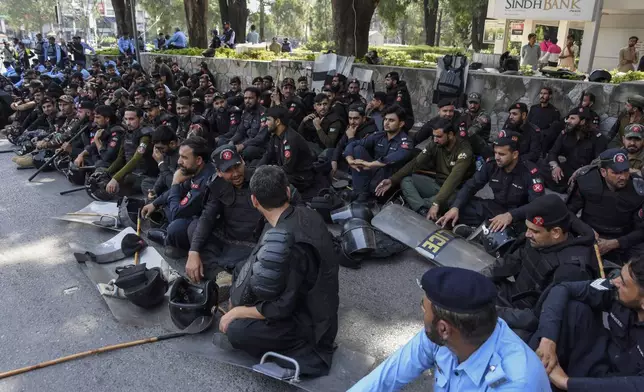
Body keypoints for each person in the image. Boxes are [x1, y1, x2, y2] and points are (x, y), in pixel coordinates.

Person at [219, 165, 339, 378]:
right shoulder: (302, 213)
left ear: (254, 200)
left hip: (310, 322)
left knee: (237, 331)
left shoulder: (289, 244)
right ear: (286, 192)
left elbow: (282, 308)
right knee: (240, 268)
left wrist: (238, 311)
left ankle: (297, 348)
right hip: (312, 295)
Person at [349, 267, 550, 391]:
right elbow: (387, 377)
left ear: (444, 328)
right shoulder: (445, 337)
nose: (421, 310)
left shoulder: (515, 384)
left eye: (423, 306)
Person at [529, 255, 644, 391]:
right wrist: (548, 340)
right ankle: (530, 368)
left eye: (624, 283)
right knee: (574, 309)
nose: (615, 281)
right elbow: (563, 288)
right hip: (594, 359)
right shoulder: (615, 289)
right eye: (620, 274)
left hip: (615, 385)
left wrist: (566, 382)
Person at [482, 194, 596, 311]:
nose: (527, 234)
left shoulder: (570, 270)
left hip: (532, 318)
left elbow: (546, 317)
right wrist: (477, 278)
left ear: (556, 232)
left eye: (535, 231)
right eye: (528, 228)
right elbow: (511, 262)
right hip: (515, 299)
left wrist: (498, 313)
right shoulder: (537, 240)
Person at [437, 130, 544, 234]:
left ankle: (482, 231)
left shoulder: (530, 172)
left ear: (515, 154)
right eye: (495, 152)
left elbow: (537, 205)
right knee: (455, 201)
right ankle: (484, 230)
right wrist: (456, 207)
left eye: (502, 154)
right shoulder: (491, 165)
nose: (497, 157)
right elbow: (471, 186)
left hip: (517, 216)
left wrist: (510, 215)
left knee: (532, 227)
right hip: (495, 208)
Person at [186, 145, 263, 278]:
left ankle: (226, 275)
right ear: (219, 172)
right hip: (228, 238)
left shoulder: (261, 179)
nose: (235, 173)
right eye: (228, 170)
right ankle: (221, 276)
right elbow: (207, 217)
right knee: (194, 228)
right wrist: (193, 252)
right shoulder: (217, 185)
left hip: (255, 244)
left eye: (237, 166)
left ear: (243, 161)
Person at [376, 119, 473, 220]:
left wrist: (436, 203)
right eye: (434, 136)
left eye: (439, 136)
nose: (435, 140)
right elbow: (415, 163)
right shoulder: (435, 144)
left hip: (454, 191)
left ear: (451, 135)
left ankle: (418, 206)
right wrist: (392, 180)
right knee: (406, 180)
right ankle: (422, 210)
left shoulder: (464, 151)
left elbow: (453, 180)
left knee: (437, 202)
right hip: (436, 184)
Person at [568, 148, 644, 264]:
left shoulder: (638, 189)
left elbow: (641, 230)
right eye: (616, 172)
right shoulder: (587, 182)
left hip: (623, 238)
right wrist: (585, 230)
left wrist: (615, 243)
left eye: (625, 171)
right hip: (590, 233)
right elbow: (568, 212)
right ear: (603, 172)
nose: (623, 177)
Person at [142, 136, 214, 253]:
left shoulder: (205, 181)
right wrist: (155, 204)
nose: (179, 161)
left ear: (199, 160)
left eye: (184, 157)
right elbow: (181, 188)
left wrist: (175, 182)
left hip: (204, 222)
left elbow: (176, 212)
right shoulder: (198, 169)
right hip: (193, 211)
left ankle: (171, 241)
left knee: (175, 227)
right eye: (180, 156)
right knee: (157, 211)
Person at [344, 105, 414, 202]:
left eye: (391, 120)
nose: (386, 123)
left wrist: (370, 164)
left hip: (389, 179)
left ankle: (363, 194)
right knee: (357, 149)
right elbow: (353, 144)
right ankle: (360, 193)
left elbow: (393, 158)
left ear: (401, 123)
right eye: (385, 119)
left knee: (382, 170)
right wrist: (349, 159)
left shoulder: (406, 142)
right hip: (374, 172)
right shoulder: (379, 135)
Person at [543, 107, 608, 193]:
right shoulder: (565, 133)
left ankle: (570, 189)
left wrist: (580, 172)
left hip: (586, 172)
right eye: (568, 118)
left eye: (572, 118)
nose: (568, 121)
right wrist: (555, 167)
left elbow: (599, 162)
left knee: (586, 183)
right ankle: (568, 188)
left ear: (582, 121)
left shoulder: (598, 138)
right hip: (569, 169)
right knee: (543, 166)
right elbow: (553, 152)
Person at [257, 107, 318, 198]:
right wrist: (257, 170)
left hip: (301, 178)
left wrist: (266, 171)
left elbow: (287, 168)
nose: (266, 123)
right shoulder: (276, 135)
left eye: (268, 120)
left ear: (277, 122)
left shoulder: (291, 139)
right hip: (287, 171)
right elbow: (268, 155)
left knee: (270, 180)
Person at [104, 106, 159, 196]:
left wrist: (115, 178)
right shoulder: (127, 133)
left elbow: (136, 158)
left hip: (145, 174)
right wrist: (107, 173)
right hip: (133, 171)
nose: (128, 122)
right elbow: (120, 158)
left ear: (140, 119)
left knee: (124, 181)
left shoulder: (145, 136)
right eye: (126, 119)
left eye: (131, 119)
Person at [331, 104, 377, 176]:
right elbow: (340, 144)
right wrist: (334, 160)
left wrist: (351, 138)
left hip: (362, 164)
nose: (352, 122)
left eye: (356, 118)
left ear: (364, 118)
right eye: (350, 118)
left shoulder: (371, 131)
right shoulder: (352, 127)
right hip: (347, 158)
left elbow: (358, 152)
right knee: (329, 153)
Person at [74, 105, 124, 169]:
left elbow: (106, 157)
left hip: (114, 165)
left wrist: (96, 139)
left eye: (98, 117)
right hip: (106, 162)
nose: (95, 121)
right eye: (94, 117)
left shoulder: (117, 132)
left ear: (107, 119)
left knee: (99, 164)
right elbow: (92, 146)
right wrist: (81, 155)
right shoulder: (106, 129)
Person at [228, 87, 266, 162]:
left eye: (250, 98)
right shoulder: (246, 112)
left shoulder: (264, 114)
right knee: (226, 145)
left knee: (247, 151)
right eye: (245, 98)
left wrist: (243, 145)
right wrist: (231, 141)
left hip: (259, 146)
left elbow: (260, 138)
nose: (247, 101)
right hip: (247, 142)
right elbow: (240, 131)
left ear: (258, 99)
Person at [146, 125, 180, 200]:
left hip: (179, 188)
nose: (159, 152)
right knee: (146, 183)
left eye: (161, 148)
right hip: (168, 180)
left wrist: (160, 163)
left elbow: (174, 185)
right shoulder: (169, 151)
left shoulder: (183, 155)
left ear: (172, 144)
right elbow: (163, 175)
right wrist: (155, 190)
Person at [456, 92, 492, 159]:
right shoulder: (464, 111)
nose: (473, 105)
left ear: (479, 103)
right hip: (464, 141)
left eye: (475, 103)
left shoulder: (484, 116)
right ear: (467, 102)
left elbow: (472, 131)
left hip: (480, 145)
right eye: (470, 103)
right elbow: (452, 112)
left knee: (471, 135)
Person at [528, 87, 561, 154]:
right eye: (541, 93)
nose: (542, 96)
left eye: (545, 94)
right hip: (530, 137)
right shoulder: (533, 108)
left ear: (550, 96)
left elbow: (554, 130)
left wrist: (541, 133)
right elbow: (528, 123)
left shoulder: (554, 112)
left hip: (543, 141)